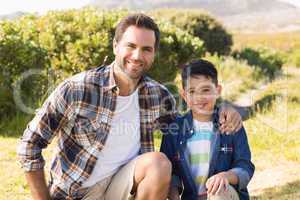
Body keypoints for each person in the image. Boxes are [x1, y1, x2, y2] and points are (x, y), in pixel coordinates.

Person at [17, 13, 242, 200]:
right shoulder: (78, 89)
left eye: (146, 49)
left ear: (153, 53)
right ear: (116, 46)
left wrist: (222, 110)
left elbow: (186, 128)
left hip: (125, 189)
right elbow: (30, 145)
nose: (137, 55)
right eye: (130, 46)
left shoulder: (158, 96)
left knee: (158, 164)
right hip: (76, 193)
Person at [160, 59, 255, 200]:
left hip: (225, 195)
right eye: (192, 91)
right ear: (184, 95)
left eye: (205, 90)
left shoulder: (230, 124)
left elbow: (245, 166)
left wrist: (226, 176)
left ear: (217, 91)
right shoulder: (174, 131)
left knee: (219, 192)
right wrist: (174, 196)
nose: (199, 97)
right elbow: (170, 172)